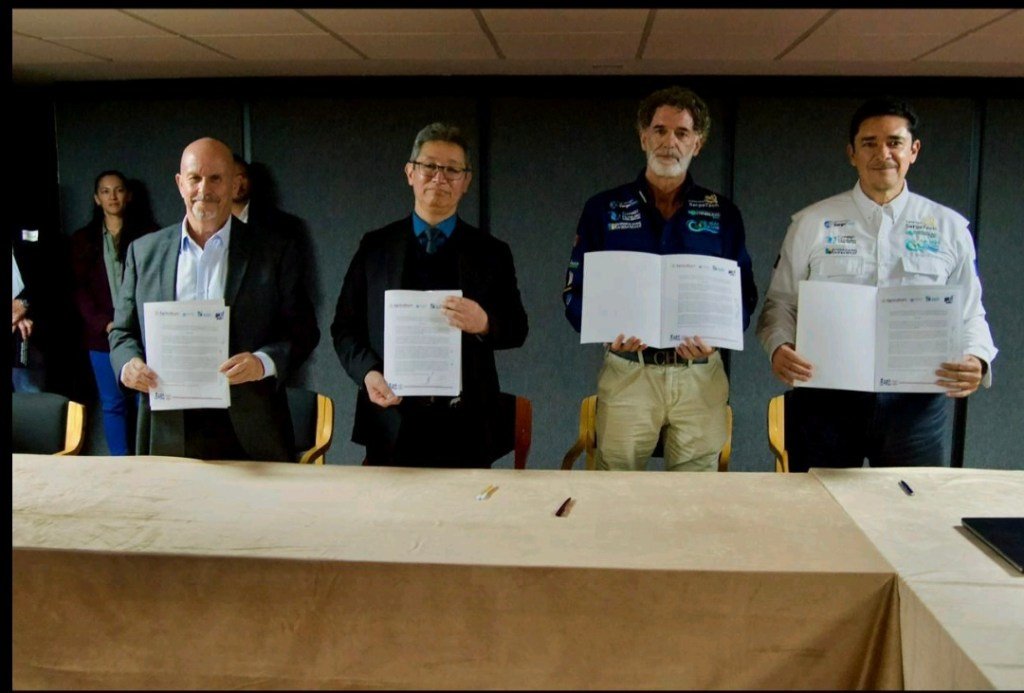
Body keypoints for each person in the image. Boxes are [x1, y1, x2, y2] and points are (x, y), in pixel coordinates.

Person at [756, 97, 997, 472]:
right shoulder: (811, 223)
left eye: (894, 142)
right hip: (826, 400)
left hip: (915, 406)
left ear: (913, 150)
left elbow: (971, 312)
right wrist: (778, 347)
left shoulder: (949, 228)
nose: (882, 153)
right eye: (869, 143)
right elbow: (780, 303)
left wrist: (978, 358)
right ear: (851, 153)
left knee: (910, 512)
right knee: (819, 512)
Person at [562, 86, 758, 472]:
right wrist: (602, 328)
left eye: (682, 133)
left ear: (697, 144)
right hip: (628, 370)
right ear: (643, 137)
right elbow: (574, 291)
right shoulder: (603, 209)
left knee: (694, 496)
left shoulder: (724, 213)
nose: (670, 142)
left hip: (699, 375)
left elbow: (744, 294)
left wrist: (718, 337)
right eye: (660, 130)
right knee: (616, 488)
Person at [109, 137, 320, 461]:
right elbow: (122, 332)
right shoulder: (144, 252)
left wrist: (262, 363)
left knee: (252, 514)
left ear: (235, 184)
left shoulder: (275, 250)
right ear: (180, 184)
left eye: (216, 178)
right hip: (168, 427)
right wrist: (128, 365)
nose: (204, 189)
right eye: (195, 178)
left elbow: (303, 330)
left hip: (252, 429)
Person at [332, 122, 528, 468]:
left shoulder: (491, 252)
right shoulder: (376, 247)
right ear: (410, 173)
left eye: (452, 170)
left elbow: (517, 328)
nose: (440, 178)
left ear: (466, 182)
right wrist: (368, 374)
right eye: (429, 167)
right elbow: (345, 329)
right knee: (388, 520)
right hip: (391, 417)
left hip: (465, 423)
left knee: (466, 520)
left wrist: (484, 322)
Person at [70, 170, 156, 455]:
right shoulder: (82, 239)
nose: (113, 196)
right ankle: (121, 463)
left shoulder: (149, 236)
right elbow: (78, 289)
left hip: (144, 334)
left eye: (118, 190)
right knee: (112, 404)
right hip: (100, 336)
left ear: (128, 195)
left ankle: (148, 462)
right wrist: (103, 324)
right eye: (105, 191)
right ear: (96, 198)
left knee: (143, 402)